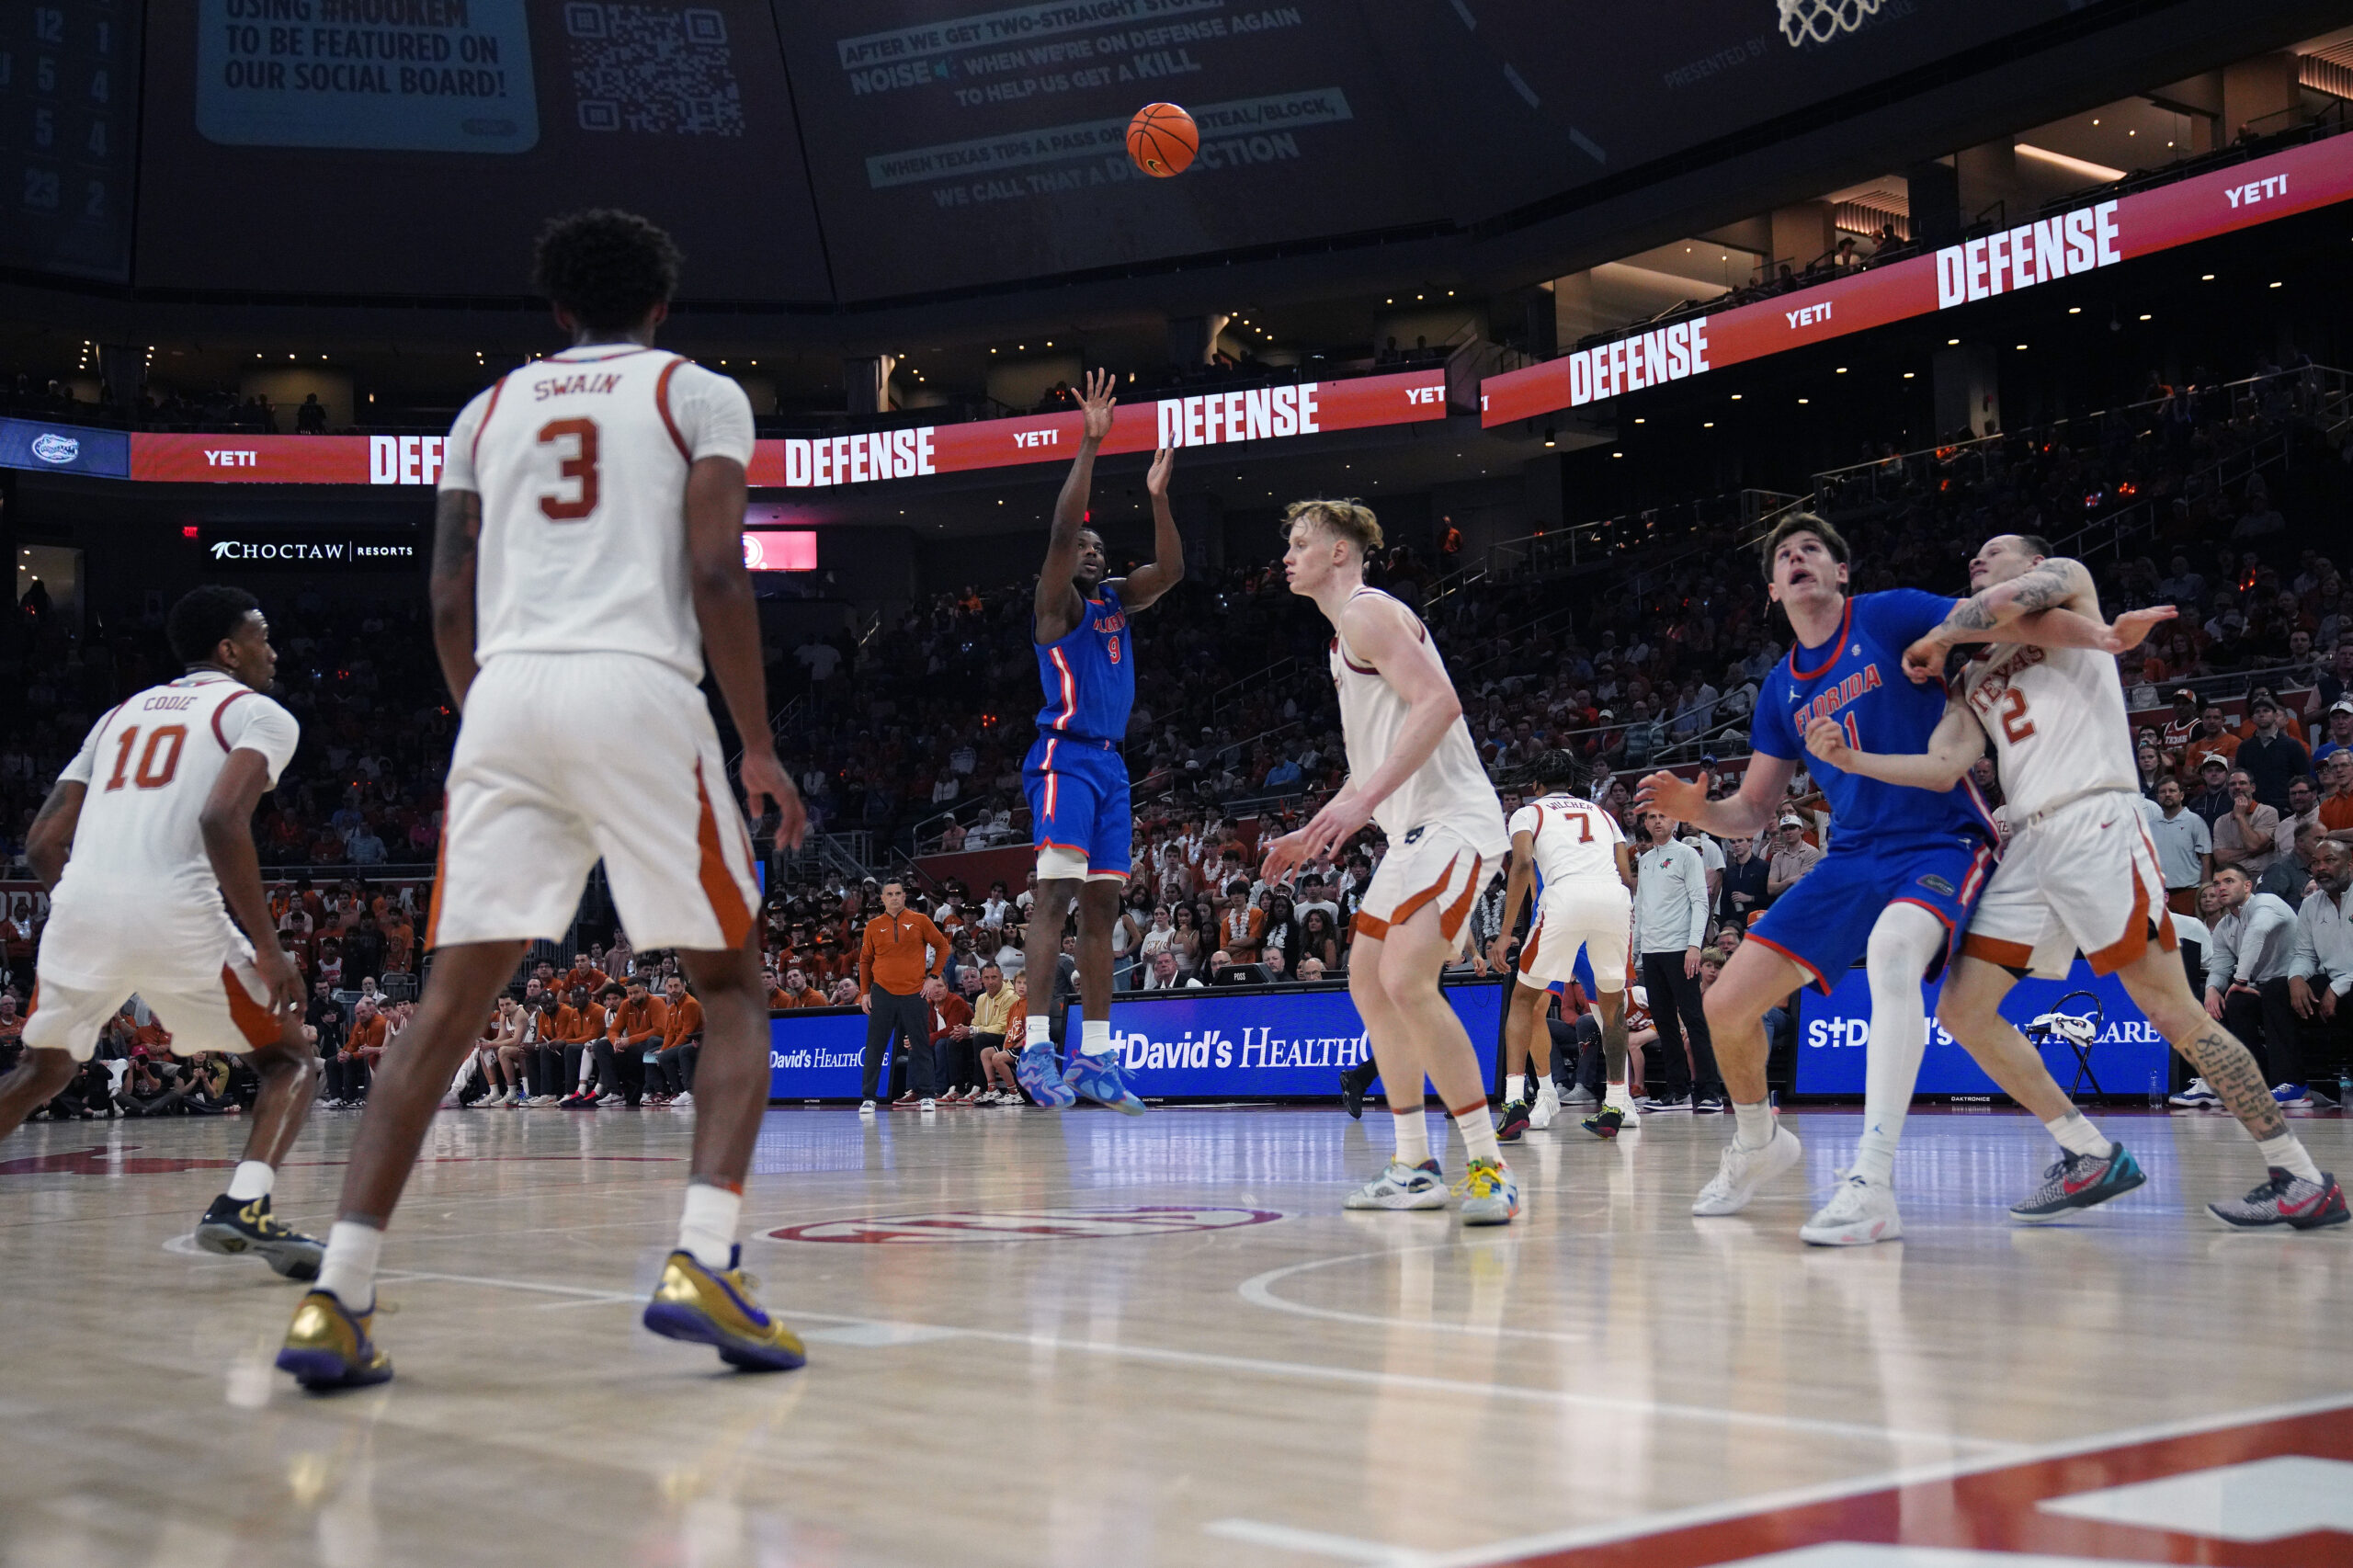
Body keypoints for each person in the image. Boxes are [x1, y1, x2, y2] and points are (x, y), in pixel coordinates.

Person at [279, 210, 812, 1391]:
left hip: (508, 693)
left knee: (445, 1008)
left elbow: (447, 596)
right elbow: (719, 569)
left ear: (558, 310)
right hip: (635, 687)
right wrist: (760, 742)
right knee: (729, 986)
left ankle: (337, 1296)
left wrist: (492, 716)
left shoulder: (486, 411)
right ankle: (705, 1261)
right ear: (661, 305)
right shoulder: (697, 394)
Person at [1819, 533, 2338, 1230]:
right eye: (1971, 553)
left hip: (2097, 817)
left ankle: (2299, 1175)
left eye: (1992, 549)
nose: (1976, 557)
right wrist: (1853, 759)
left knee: (2170, 1010)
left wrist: (1940, 635)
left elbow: (2003, 601)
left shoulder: (2066, 580)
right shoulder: (1972, 676)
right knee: (1963, 1011)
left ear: (2033, 562)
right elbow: (1944, 767)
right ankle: (2086, 1151)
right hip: (2028, 841)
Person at [1637, 514, 2026, 1246]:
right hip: (1851, 858)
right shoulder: (1781, 689)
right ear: (1773, 592)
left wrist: (2040, 592)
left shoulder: (1888, 614)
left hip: (1938, 840)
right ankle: (1758, 1142)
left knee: (1892, 955)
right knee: (1724, 1005)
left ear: (1840, 573)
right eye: (1784, 556)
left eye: (1812, 549)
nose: (1797, 559)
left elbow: (1990, 619)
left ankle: (1872, 1183)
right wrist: (1698, 809)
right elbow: (1752, 809)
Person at [0, 585, 325, 1278]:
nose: (273, 650)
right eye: (261, 636)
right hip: (175, 911)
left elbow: (41, 843)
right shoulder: (258, 714)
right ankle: (244, 1206)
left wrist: (93, 911)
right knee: (292, 1061)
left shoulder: (117, 716)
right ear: (229, 650)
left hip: (81, 904)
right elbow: (219, 821)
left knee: (44, 1068)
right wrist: (270, 949)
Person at [1263, 497, 1518, 1225]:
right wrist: (1316, 825)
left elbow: (1440, 703)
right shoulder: (1343, 637)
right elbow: (1373, 762)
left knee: (1408, 978)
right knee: (1370, 982)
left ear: (1340, 553)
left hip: (1452, 821)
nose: (1289, 555)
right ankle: (1413, 1164)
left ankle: (1488, 1166)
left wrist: (1356, 805)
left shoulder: (1367, 614)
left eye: (1302, 542)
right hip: (1410, 832)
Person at [1014, 372, 1183, 1118]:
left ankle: (1098, 1057)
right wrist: (1088, 441)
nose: (1086, 550)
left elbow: (1171, 572)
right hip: (1064, 758)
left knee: (1104, 912)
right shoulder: (1055, 609)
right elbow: (1057, 532)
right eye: (1078, 544)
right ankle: (1036, 1050)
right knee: (1052, 898)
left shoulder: (1118, 598)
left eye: (1096, 545)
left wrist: (1157, 497)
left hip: (1112, 769)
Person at [1492, 750, 1635, 1142]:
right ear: (1571, 783)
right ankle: (1616, 1104)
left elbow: (1521, 865)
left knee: (1524, 1000)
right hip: (1613, 900)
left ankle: (1514, 1101)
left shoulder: (1528, 813)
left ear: (1535, 784)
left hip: (1564, 900)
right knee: (1612, 1006)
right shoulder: (1605, 815)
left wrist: (1505, 932)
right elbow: (1625, 873)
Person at [1631, 806, 1722, 1114]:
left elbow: (1699, 900)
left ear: (1675, 821)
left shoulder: (1687, 855)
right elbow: (1640, 908)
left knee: (1694, 1019)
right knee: (1665, 1022)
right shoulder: (1643, 860)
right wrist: (1635, 952)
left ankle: (1710, 1091)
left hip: (1681, 950)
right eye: (1652, 817)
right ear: (1645, 823)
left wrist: (1694, 945)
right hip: (1652, 953)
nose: (1658, 821)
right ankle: (1677, 1091)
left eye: (1663, 816)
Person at [858, 879, 947, 1112]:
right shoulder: (873, 926)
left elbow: (943, 946)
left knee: (920, 1045)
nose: (895, 897)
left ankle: (927, 1094)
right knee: (875, 1046)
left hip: (914, 992)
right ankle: (869, 1097)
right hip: (882, 992)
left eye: (898, 893)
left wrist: (933, 976)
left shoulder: (920, 921)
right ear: (882, 898)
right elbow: (865, 960)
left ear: (904, 897)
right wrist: (865, 992)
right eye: (890, 894)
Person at [2140, 776, 2211, 915]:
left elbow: (2206, 858)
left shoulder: (2195, 821)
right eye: (2163, 792)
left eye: (2172, 791)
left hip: (2188, 892)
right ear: (2158, 796)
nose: (2167, 794)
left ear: (2182, 795)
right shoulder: (2150, 826)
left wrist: (2206, 889)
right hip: (2158, 893)